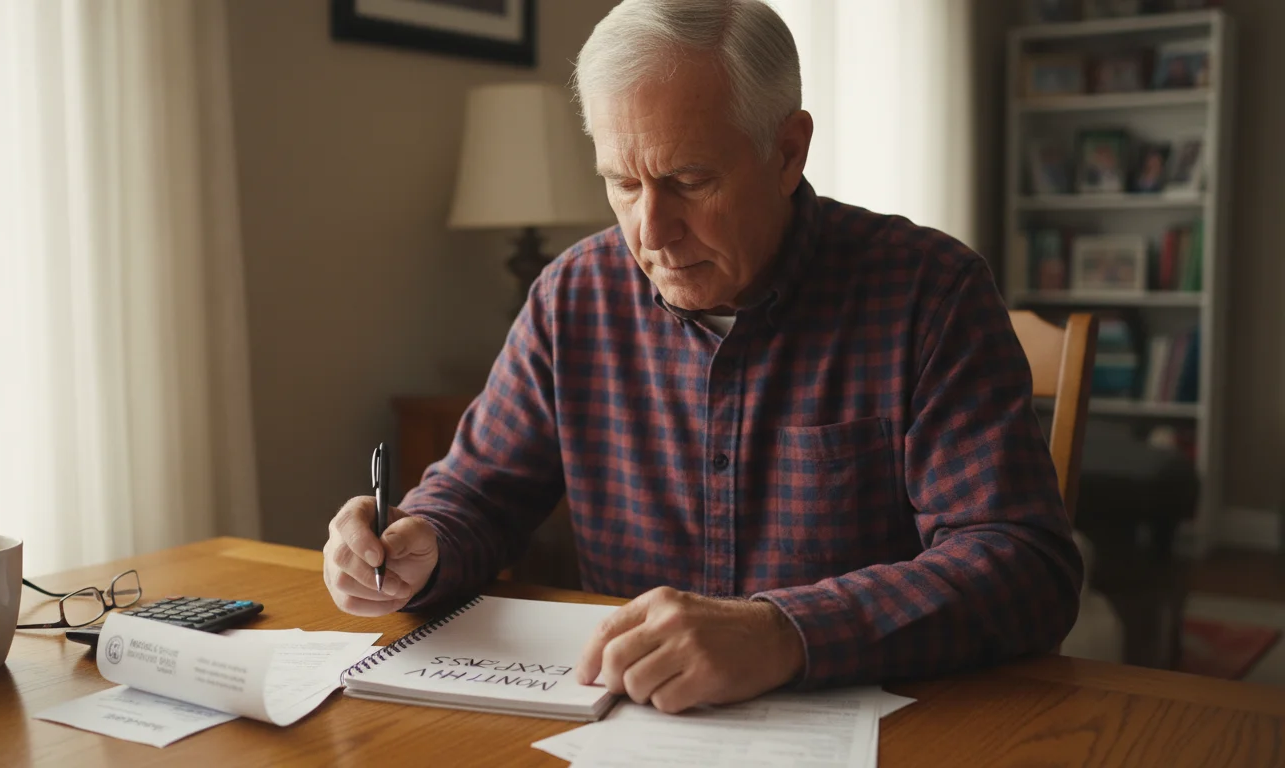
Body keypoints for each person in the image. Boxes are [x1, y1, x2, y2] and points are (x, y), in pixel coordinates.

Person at [323, 0, 1081, 714]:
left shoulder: (928, 292)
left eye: (689, 181)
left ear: (788, 151)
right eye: (623, 183)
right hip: (623, 728)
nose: (651, 230)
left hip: (878, 726)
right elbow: (478, 496)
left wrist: (784, 631)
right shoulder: (573, 297)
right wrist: (417, 541)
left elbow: (1024, 566)